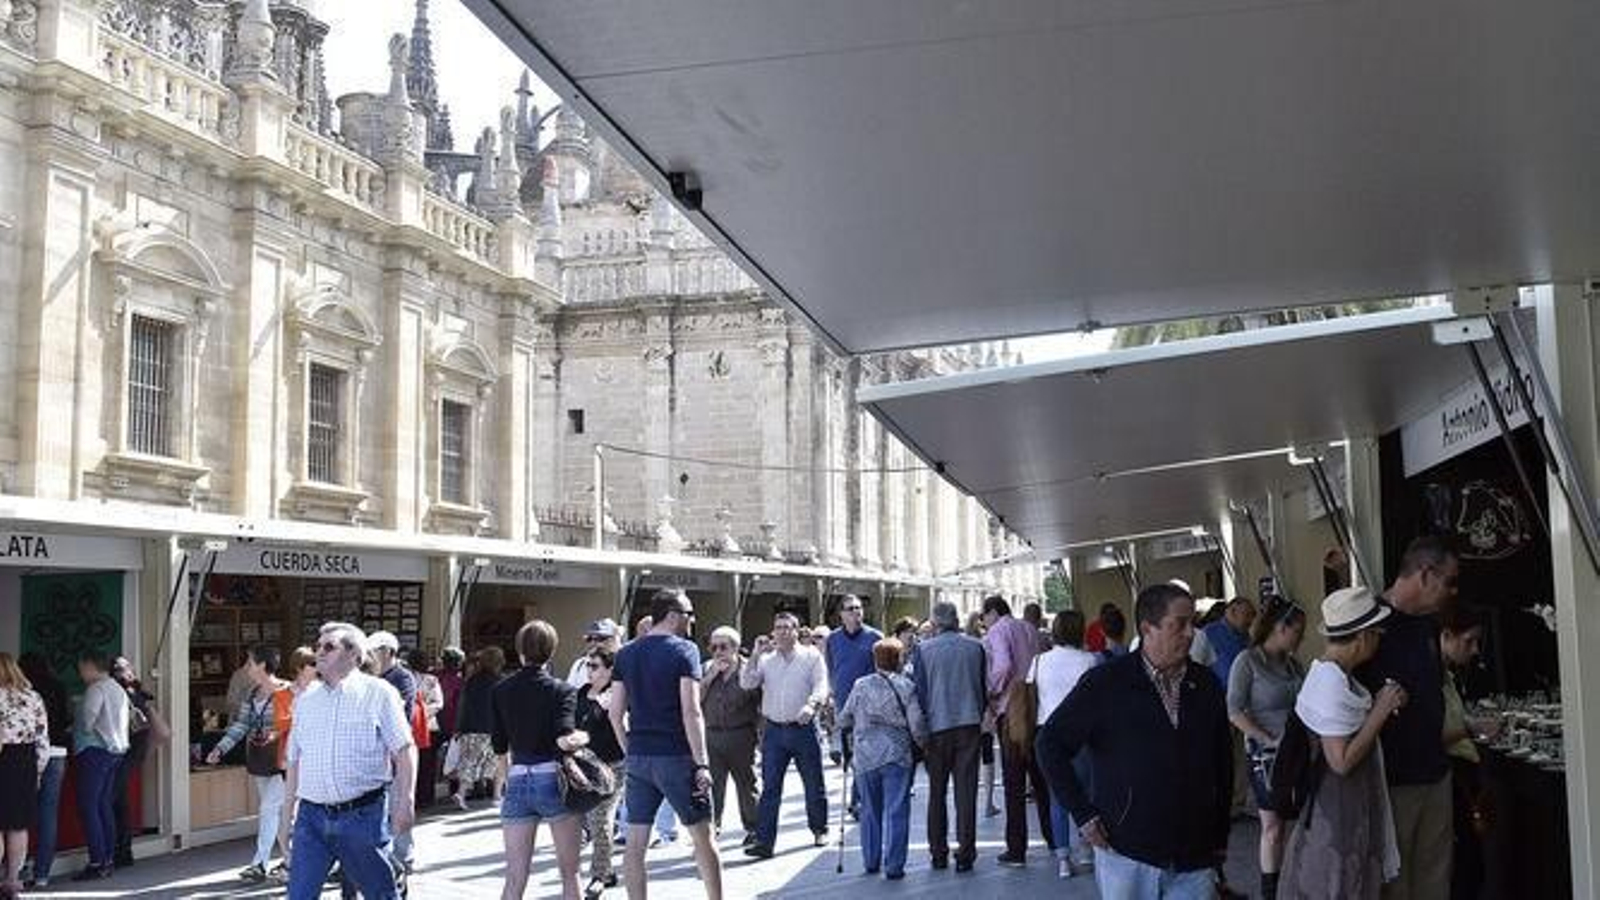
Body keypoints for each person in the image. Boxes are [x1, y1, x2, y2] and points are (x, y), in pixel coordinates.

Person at [1037, 582, 1232, 899]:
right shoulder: (1106, 683)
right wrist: (1082, 814)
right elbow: (1050, 743)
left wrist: (1220, 832)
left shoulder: (1205, 683)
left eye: (1191, 624)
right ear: (1147, 628)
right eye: (1179, 624)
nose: (1190, 634)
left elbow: (1222, 761)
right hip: (1127, 852)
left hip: (1194, 855)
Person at [1279, 587, 1407, 899]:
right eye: (1377, 633)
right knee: (1338, 884)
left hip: (1345, 809)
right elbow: (1341, 761)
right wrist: (1380, 711)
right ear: (1363, 636)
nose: (1379, 641)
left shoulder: (1335, 676)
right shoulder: (1329, 682)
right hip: (1333, 813)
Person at [1354, 536, 1459, 900]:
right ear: (1425, 575)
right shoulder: (1370, 623)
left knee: (1436, 875)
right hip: (1393, 781)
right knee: (1396, 884)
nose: (1451, 591)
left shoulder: (1428, 625)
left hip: (1436, 772)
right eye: (1448, 581)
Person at [282, 622, 416, 900]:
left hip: (362, 817)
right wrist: (286, 819)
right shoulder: (306, 700)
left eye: (329, 646)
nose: (319, 652)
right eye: (318, 646)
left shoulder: (378, 693)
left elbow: (404, 750)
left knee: (380, 894)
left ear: (355, 655)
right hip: (311, 818)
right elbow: (294, 761)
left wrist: (406, 801)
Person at [610, 589, 724, 900]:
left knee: (635, 844)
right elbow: (691, 710)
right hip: (677, 756)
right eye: (688, 614)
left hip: (639, 757)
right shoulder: (684, 650)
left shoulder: (626, 653)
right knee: (703, 837)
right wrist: (701, 763)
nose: (692, 619)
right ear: (673, 615)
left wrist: (628, 749)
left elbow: (615, 712)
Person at [493, 619, 588, 900]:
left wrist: (503, 783)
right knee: (570, 873)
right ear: (551, 651)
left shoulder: (501, 690)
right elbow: (564, 737)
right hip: (553, 777)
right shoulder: (562, 690)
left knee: (514, 876)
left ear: (519, 650)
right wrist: (585, 737)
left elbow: (499, 744)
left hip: (518, 776)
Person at [1227, 597, 1307, 900]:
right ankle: (1270, 891)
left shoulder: (1293, 663)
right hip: (1267, 756)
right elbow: (1234, 711)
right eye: (1297, 629)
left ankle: (1292, 882)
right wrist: (1265, 738)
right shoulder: (1246, 662)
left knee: (1297, 822)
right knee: (1272, 825)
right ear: (1279, 627)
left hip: (1297, 750)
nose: (1301, 636)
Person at [740, 610, 830, 858]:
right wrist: (755, 654)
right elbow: (747, 683)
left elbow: (822, 685)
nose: (780, 632)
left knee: (813, 783)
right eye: (777, 627)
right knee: (771, 788)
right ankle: (765, 842)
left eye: (786, 627)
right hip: (774, 731)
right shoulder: (767, 659)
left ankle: (819, 828)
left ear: (796, 631)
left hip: (803, 729)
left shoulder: (811, 656)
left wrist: (811, 705)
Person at [205, 644, 296, 882]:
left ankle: (260, 863)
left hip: (283, 761)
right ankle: (291, 860)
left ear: (263, 666)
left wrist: (275, 735)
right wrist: (220, 748)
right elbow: (241, 725)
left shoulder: (287, 692)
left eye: (250, 663)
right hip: (260, 758)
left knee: (268, 809)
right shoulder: (252, 693)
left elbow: (294, 726)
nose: (247, 667)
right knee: (275, 813)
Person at [838, 638, 926, 881]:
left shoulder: (860, 685)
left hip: (866, 756)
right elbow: (917, 724)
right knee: (897, 810)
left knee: (869, 810)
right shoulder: (906, 686)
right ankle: (895, 866)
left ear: (875, 660)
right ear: (898, 660)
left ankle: (871, 861)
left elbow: (844, 718)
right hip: (897, 755)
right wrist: (924, 745)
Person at [909, 600, 988, 872]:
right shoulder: (975, 647)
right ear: (956, 620)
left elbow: (919, 692)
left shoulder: (923, 650)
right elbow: (983, 687)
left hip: (937, 727)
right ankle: (966, 853)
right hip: (968, 724)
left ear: (935, 622)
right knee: (966, 794)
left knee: (936, 793)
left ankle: (938, 853)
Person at [1027, 610, 1099, 879]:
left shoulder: (1038, 661)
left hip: (1047, 732)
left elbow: (1031, 694)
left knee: (1057, 797)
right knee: (1085, 792)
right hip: (1082, 734)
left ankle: (1062, 859)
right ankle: (1086, 848)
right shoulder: (1090, 660)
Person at [982, 594, 1053, 866]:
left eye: (984, 617)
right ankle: (1053, 838)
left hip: (1011, 710)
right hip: (1036, 706)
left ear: (992, 613)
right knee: (1040, 779)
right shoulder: (1030, 628)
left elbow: (1003, 665)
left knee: (1013, 782)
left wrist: (993, 689)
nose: (985, 624)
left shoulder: (1000, 630)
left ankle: (1017, 849)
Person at [1439, 606, 1493, 900]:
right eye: (1469, 641)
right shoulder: (1431, 678)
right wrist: (1471, 730)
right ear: (1446, 636)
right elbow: (1431, 736)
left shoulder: (1446, 674)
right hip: (1453, 777)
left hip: (1462, 774)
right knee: (1466, 867)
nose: (1474, 651)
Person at [699, 625, 761, 845]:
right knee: (711, 787)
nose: (717, 652)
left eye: (723, 647)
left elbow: (756, 700)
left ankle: (754, 829)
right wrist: (710, 677)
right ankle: (711, 829)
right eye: (713, 646)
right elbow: (695, 699)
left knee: (746, 785)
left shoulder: (748, 669)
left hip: (740, 734)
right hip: (712, 735)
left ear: (735, 648)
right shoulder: (706, 668)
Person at [72, 651, 129, 881]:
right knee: (104, 804)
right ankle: (109, 858)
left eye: (81, 667)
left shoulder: (96, 689)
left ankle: (97, 861)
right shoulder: (117, 687)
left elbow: (88, 720)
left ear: (89, 665)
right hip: (116, 751)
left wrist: (79, 722)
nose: (80, 673)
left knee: (89, 806)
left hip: (95, 751)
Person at [367, 631, 419, 871]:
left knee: (399, 801)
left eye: (375, 651)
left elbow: (404, 715)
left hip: (396, 750)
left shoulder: (402, 677)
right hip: (376, 754)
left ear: (388, 651)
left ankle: (403, 856)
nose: (371, 656)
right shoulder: (370, 677)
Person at [577, 647, 626, 899]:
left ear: (610, 670)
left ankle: (597, 876)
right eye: (588, 665)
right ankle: (607, 871)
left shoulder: (617, 695)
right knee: (587, 819)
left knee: (600, 817)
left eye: (595, 666)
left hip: (613, 765)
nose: (590, 670)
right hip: (583, 766)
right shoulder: (581, 694)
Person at [110, 655, 167, 868]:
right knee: (120, 801)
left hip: (122, 752)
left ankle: (116, 851)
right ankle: (123, 852)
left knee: (111, 800)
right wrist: (144, 754)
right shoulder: (140, 694)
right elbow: (162, 732)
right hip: (135, 753)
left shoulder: (119, 694)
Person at [826, 595, 881, 817]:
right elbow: (831, 667)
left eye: (859, 608)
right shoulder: (833, 639)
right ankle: (859, 797)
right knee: (851, 757)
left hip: (869, 705)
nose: (856, 612)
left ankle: (858, 800)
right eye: (850, 609)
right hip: (844, 705)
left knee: (864, 754)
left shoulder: (875, 637)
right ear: (841, 614)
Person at [16, 654, 67, 890]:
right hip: (58, 751)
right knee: (49, 813)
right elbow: (66, 718)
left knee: (20, 813)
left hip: (30, 754)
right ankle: (42, 874)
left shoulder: (23, 691)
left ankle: (19, 868)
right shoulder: (57, 686)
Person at [0, 653, 48, 900]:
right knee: (18, 825)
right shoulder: (33, 697)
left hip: (3, 757)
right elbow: (42, 738)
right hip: (25, 761)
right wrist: (37, 771)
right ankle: (12, 880)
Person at [452, 645, 506, 808]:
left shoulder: (471, 681)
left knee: (468, 761)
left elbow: (463, 704)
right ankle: (497, 796)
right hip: (492, 728)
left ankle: (461, 793)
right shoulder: (501, 681)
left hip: (470, 726)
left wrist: (458, 726)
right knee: (499, 761)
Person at [405, 648, 445, 810]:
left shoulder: (422, 679)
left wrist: (419, 713)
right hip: (428, 726)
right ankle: (425, 797)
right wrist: (425, 713)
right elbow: (439, 703)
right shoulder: (431, 680)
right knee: (427, 764)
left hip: (414, 725)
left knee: (413, 763)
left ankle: (416, 796)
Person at [568, 619, 621, 687]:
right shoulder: (579, 665)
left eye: (599, 639)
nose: (592, 643)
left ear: (613, 640)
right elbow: (570, 693)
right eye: (589, 639)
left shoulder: (623, 665)